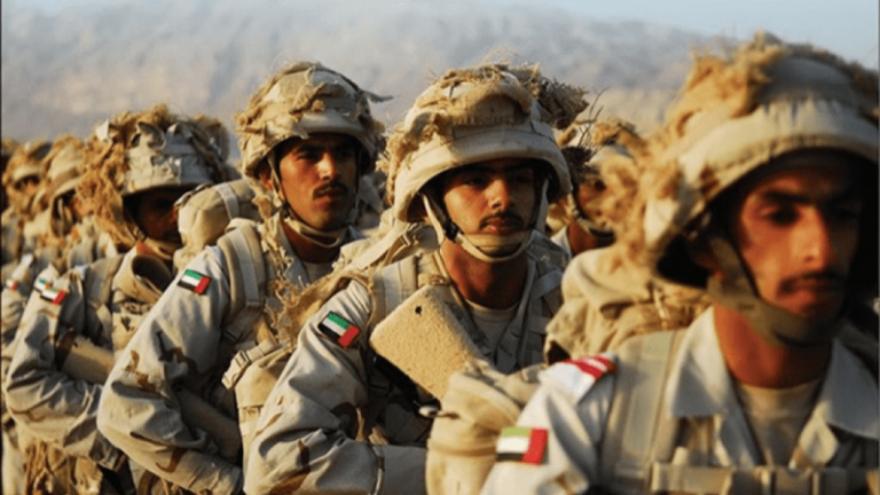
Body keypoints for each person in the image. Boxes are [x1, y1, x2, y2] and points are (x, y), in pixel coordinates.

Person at [482, 33, 879, 494]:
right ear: (704, 240)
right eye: (780, 216)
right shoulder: (584, 414)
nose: (821, 249)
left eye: (843, 215)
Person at [244, 63, 585, 494]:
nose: (502, 196)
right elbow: (275, 463)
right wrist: (460, 466)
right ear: (430, 201)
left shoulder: (575, 302)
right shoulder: (375, 303)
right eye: (476, 180)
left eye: (519, 179)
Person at [96, 62, 385, 493]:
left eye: (343, 154)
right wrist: (228, 484)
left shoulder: (376, 268)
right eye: (308, 155)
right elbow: (125, 404)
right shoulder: (232, 267)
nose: (329, 169)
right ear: (269, 175)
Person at [4, 105, 228, 493]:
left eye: (191, 200)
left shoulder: (233, 283)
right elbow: (25, 385)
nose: (178, 218)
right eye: (161, 205)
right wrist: (133, 423)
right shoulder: (85, 287)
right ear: (128, 211)